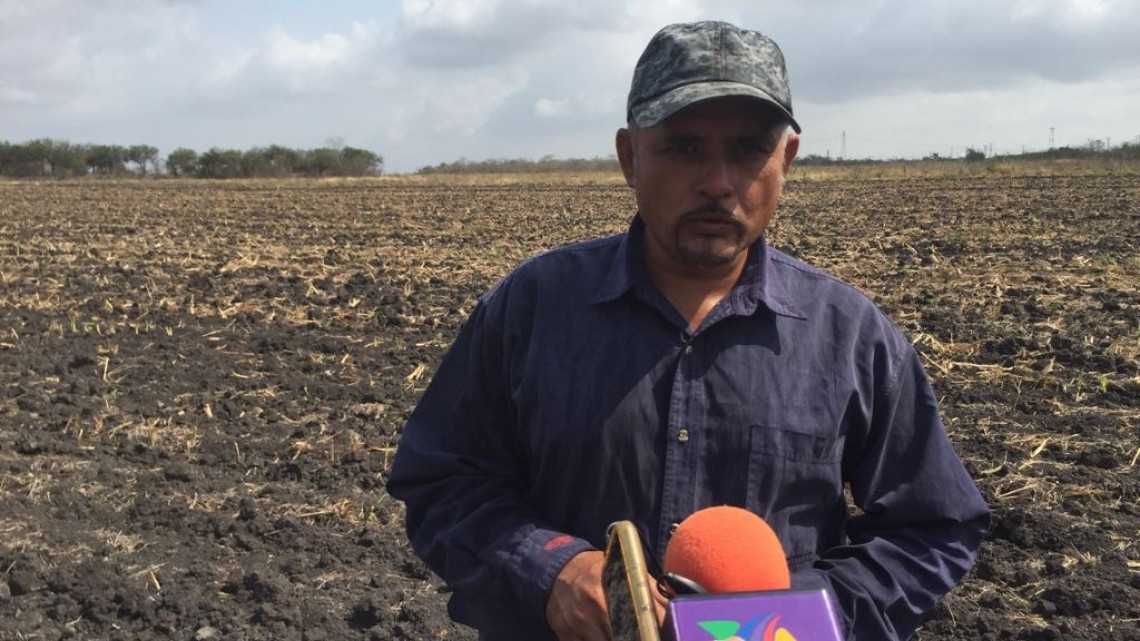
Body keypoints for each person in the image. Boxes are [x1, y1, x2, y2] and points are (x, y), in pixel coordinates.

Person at [387, 20, 989, 641]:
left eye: (748, 150)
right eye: (684, 148)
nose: (718, 183)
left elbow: (932, 527)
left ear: (785, 161)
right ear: (630, 157)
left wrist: (800, 618)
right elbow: (443, 480)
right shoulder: (533, 307)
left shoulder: (851, 335)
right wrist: (551, 570)